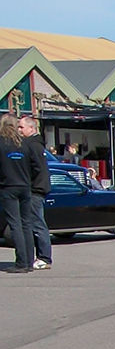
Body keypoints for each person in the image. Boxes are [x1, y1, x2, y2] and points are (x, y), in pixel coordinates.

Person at [2, 113, 36, 273]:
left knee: (15, 224)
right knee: (27, 224)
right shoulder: (25, 144)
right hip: (25, 186)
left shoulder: (2, 144)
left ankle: (21, 262)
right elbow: (35, 165)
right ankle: (29, 261)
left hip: (8, 187)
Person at [19, 115, 52, 269]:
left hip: (35, 189)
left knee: (37, 223)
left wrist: (29, 183)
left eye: (21, 127)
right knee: (34, 222)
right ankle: (39, 256)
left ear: (31, 128)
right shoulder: (36, 144)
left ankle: (44, 258)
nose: (19, 130)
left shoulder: (32, 145)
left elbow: (37, 169)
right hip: (37, 187)